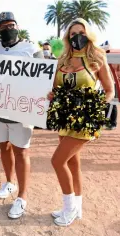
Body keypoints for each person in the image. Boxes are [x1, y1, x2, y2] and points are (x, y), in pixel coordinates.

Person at [0, 12, 44, 219]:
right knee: (3, 147)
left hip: (21, 111)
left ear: (17, 26)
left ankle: (22, 197)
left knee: (21, 151)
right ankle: (10, 183)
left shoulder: (32, 49)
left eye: (11, 25)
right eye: (3, 26)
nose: (8, 28)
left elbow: (43, 77)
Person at [47, 18, 114, 226]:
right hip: (65, 117)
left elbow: (110, 90)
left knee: (57, 161)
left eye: (81, 32)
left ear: (88, 34)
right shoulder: (63, 59)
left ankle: (69, 208)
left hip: (85, 119)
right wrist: (52, 94)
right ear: (68, 37)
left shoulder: (97, 57)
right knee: (73, 163)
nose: (77, 37)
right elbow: (55, 87)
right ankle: (77, 207)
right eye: (73, 33)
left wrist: (96, 106)